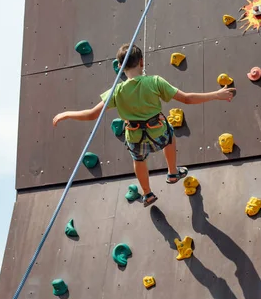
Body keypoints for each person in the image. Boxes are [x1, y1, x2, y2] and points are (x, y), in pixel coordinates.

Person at [53, 43, 235, 207]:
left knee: (138, 160)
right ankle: (172, 172)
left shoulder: (116, 91)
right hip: (158, 133)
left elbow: (92, 114)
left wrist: (67, 114)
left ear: (120, 67)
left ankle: (147, 194)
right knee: (170, 136)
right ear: (141, 62)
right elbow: (186, 98)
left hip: (135, 138)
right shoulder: (154, 81)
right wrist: (215, 95)